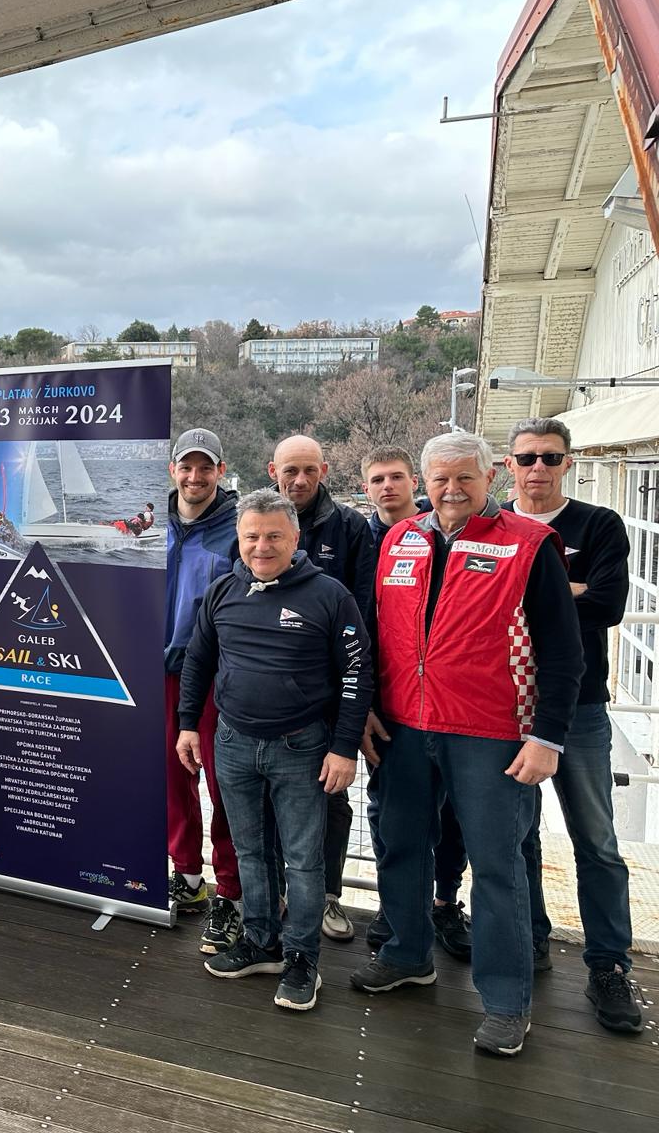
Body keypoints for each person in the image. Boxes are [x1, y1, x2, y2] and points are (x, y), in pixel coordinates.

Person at [351, 431, 582, 1057]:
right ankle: (407, 954)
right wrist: (365, 708)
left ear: (490, 479)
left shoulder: (527, 545)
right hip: (403, 725)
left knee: (498, 865)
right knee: (401, 845)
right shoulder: (400, 539)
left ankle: (506, 1003)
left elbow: (564, 653)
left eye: (465, 478)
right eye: (440, 479)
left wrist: (547, 737)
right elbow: (376, 632)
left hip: (490, 732)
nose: (451, 490)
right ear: (425, 483)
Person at [178, 490, 367, 1013]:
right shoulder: (223, 591)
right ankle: (262, 941)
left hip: (302, 747)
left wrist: (344, 748)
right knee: (250, 850)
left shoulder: (330, 595)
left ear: (295, 538)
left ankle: (302, 958)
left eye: (273, 536)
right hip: (233, 742)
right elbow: (198, 661)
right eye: (252, 536)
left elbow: (357, 675)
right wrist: (188, 725)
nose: (261, 546)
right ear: (239, 539)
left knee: (303, 861)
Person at [502, 418, 643, 1033]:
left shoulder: (599, 525)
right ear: (509, 465)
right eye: (527, 457)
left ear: (568, 463)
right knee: (516, 837)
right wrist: (566, 590)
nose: (538, 467)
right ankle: (531, 938)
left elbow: (608, 604)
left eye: (550, 457)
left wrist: (529, 596)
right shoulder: (493, 526)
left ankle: (608, 965)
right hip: (507, 705)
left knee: (597, 842)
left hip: (580, 707)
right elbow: (481, 607)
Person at [358, 448, 471, 963]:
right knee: (390, 815)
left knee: (453, 817)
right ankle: (398, 911)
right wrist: (364, 702)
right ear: (366, 488)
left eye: (396, 477)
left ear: (414, 482)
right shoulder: (363, 538)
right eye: (377, 479)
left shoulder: (446, 534)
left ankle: (444, 902)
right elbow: (364, 623)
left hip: (456, 708)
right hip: (390, 708)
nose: (387, 486)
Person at [268, 434, 376, 942]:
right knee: (269, 793)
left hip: (330, 690)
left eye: (309, 470)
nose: (300, 480)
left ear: (324, 471)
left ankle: (329, 895)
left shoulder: (350, 527)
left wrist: (359, 694)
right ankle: (277, 891)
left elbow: (365, 612)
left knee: (331, 795)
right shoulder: (260, 521)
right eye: (290, 470)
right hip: (272, 686)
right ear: (273, 471)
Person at [162, 428, 244, 954]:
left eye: (205, 467)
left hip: (216, 678)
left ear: (220, 471)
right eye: (186, 467)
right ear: (173, 470)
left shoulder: (238, 530)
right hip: (158, 673)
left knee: (225, 786)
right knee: (173, 780)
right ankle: (188, 877)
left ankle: (232, 893)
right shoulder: (151, 524)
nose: (195, 477)